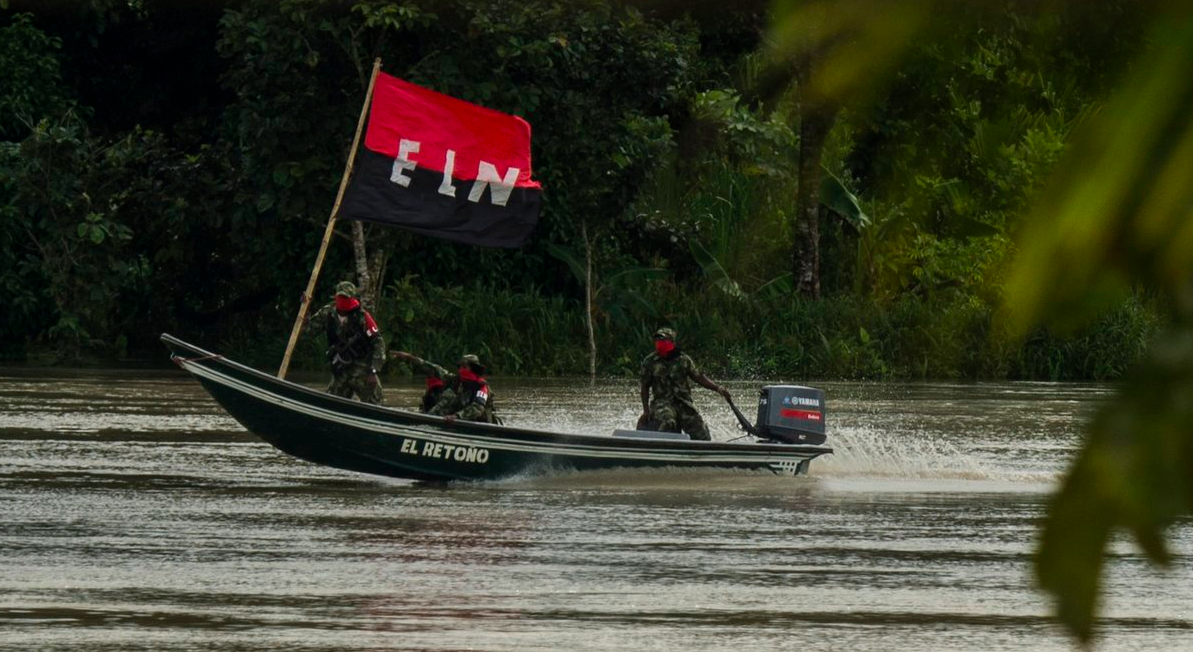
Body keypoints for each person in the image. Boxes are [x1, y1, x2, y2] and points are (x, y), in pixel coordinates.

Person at [638, 327, 731, 441]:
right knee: (668, 421)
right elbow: (644, 388)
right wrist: (646, 411)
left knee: (700, 430)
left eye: (663, 341)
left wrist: (719, 389)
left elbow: (699, 377)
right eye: (657, 341)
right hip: (662, 403)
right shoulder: (650, 362)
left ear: (671, 342)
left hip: (683, 403)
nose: (659, 343)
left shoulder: (683, 360)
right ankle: (668, 448)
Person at [306, 281, 386, 404]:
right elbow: (309, 331)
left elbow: (378, 343)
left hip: (363, 370)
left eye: (346, 297)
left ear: (352, 298)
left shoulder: (362, 317)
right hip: (341, 369)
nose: (343, 300)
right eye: (341, 297)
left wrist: (373, 371)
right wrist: (305, 308)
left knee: (377, 407)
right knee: (329, 405)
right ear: (336, 297)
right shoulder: (328, 312)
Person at [435, 354, 501, 424]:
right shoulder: (460, 383)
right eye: (460, 367)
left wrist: (456, 416)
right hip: (463, 420)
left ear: (473, 369)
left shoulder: (482, 386)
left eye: (464, 367)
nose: (461, 370)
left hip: (481, 424)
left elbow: (477, 408)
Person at [390, 351, 456, 413]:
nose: (429, 373)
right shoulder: (431, 384)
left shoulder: (446, 377)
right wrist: (408, 356)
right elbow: (422, 363)